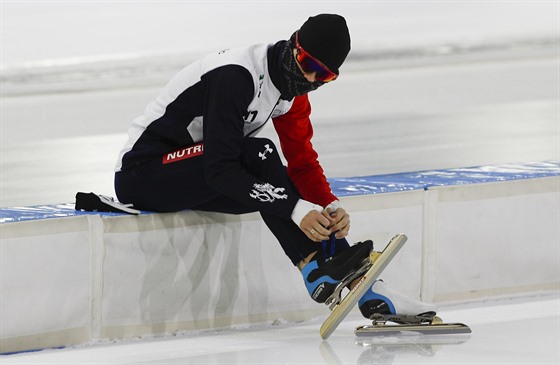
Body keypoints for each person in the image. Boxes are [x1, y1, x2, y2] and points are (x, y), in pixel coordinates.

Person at [114, 14, 433, 320]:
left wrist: (329, 207)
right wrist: (296, 210)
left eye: (324, 76)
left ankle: (366, 290)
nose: (311, 79)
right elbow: (220, 168)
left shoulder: (293, 92)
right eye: (309, 65)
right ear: (294, 46)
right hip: (143, 174)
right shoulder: (236, 75)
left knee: (277, 181)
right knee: (261, 155)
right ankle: (314, 268)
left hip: (198, 178)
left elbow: (303, 164)